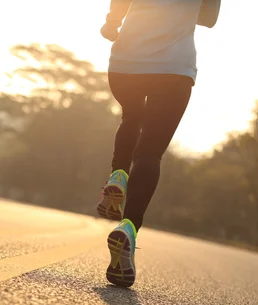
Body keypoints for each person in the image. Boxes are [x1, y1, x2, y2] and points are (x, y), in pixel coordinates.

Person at [96, 0, 221, 287]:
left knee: (131, 117)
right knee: (150, 152)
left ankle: (117, 176)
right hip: (173, 68)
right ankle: (128, 228)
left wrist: (112, 22)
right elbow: (208, 19)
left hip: (126, 63)